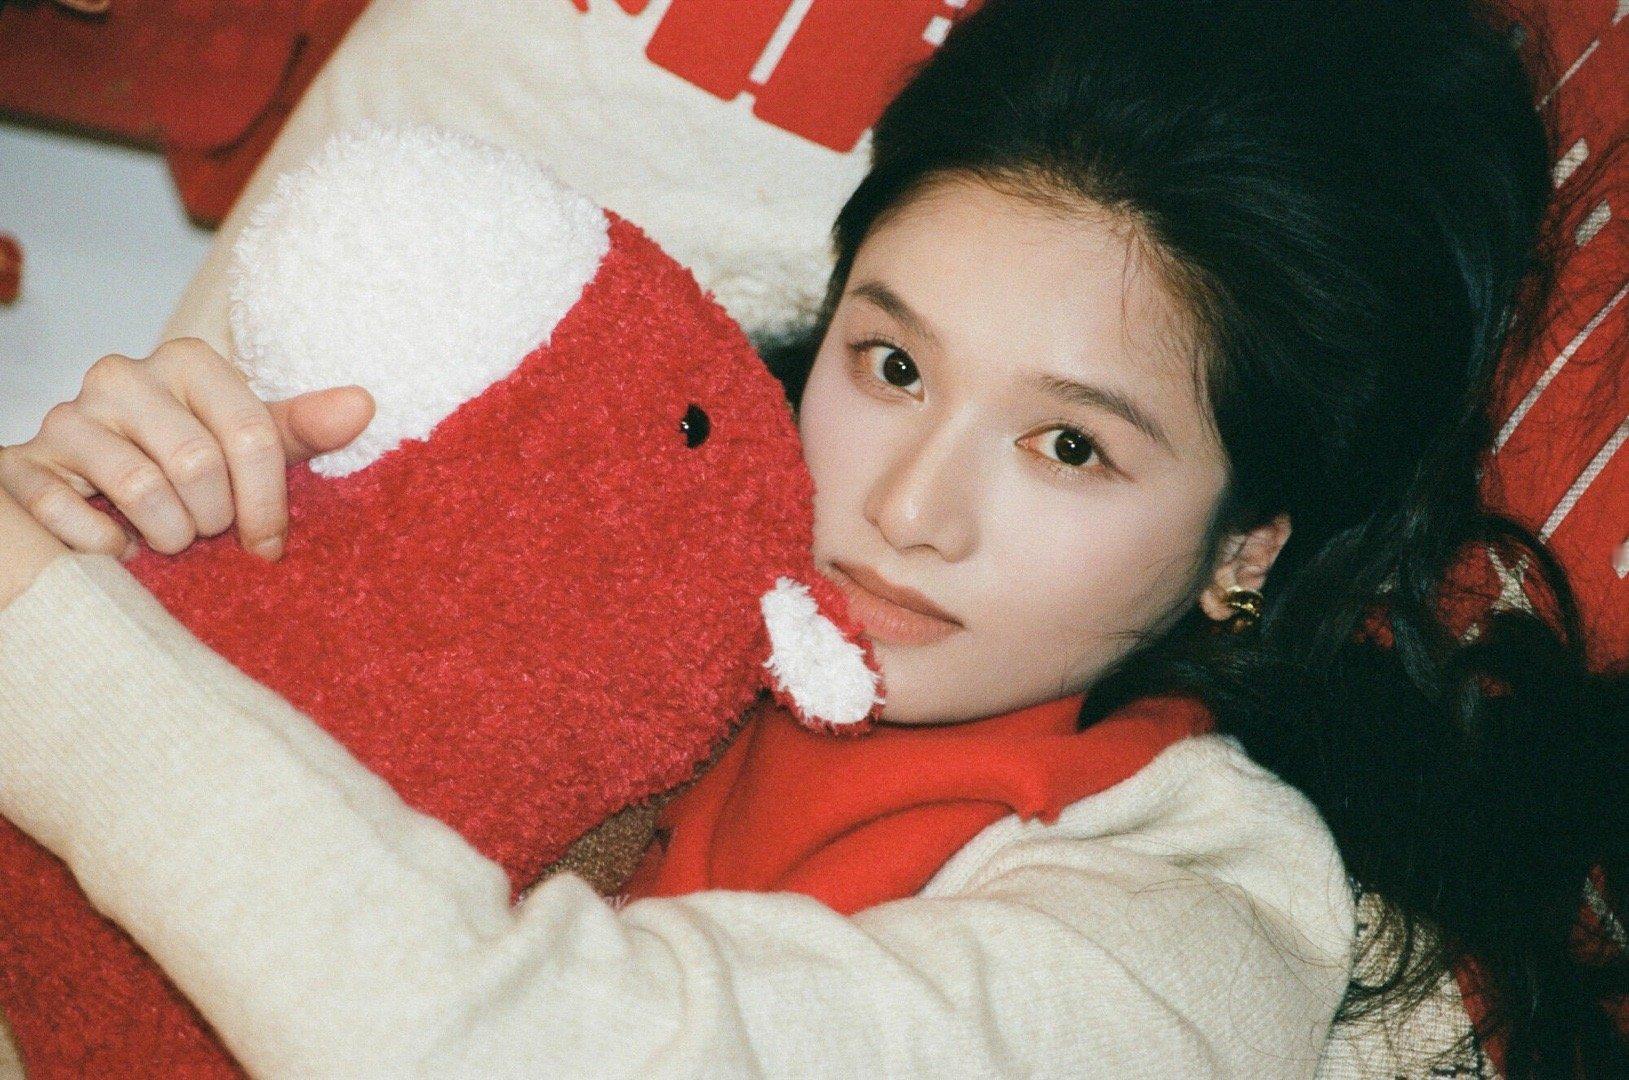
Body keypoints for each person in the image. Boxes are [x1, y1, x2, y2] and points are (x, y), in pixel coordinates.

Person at [0, 0, 1622, 1076]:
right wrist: (133, 544)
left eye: (1068, 446)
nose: (908, 508)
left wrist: (60, 655)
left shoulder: (1185, 940)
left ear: (1243, 546)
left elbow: (519, 1050)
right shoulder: (638, 525)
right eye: (892, 364)